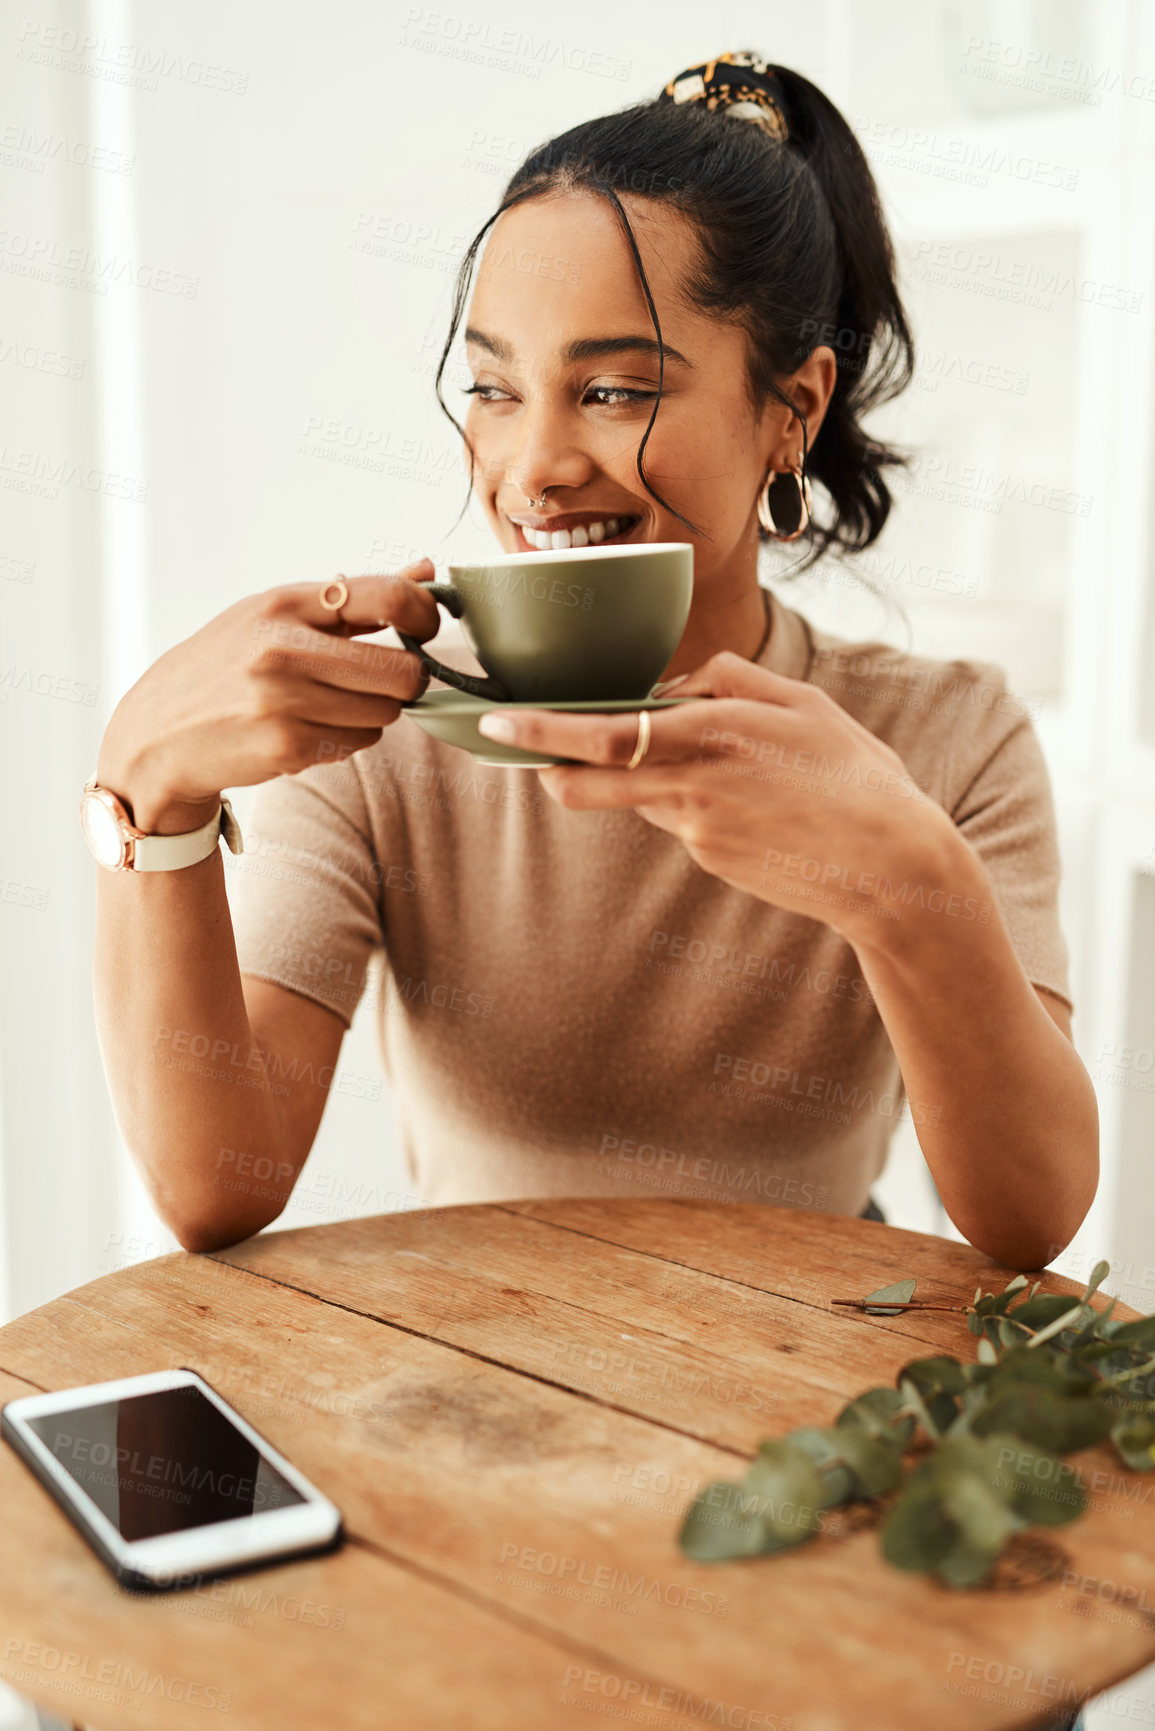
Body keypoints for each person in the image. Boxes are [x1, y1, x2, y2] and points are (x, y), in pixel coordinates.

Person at [87, 51, 1097, 1272]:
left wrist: (901, 878)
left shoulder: (948, 737)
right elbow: (216, 1189)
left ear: (794, 408)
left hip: (807, 1405)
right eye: (495, 390)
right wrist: (148, 790)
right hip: (479, 1390)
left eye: (615, 390)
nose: (534, 466)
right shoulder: (388, 726)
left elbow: (1032, 1218)